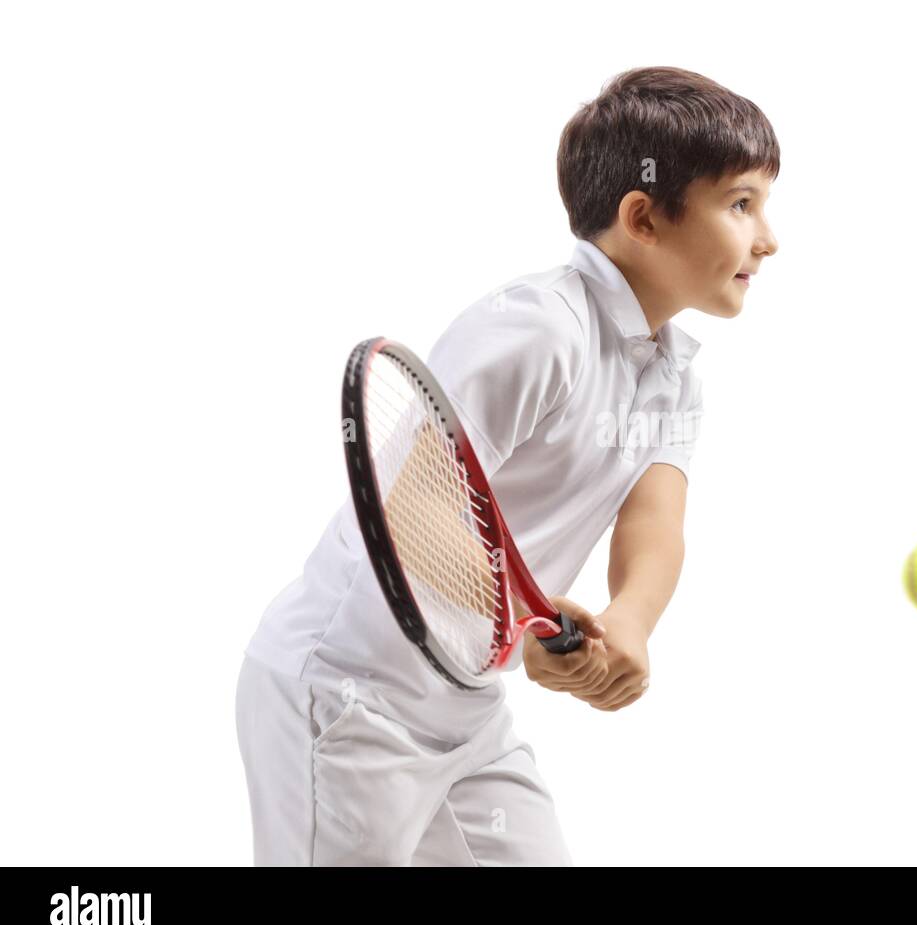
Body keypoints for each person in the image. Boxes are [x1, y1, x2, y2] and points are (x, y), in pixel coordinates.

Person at [235, 65, 780, 866]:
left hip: (466, 709)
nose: (768, 238)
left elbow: (655, 519)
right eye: (741, 204)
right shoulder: (537, 330)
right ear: (644, 218)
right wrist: (513, 616)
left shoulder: (676, 375)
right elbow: (413, 503)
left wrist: (627, 622)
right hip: (346, 697)